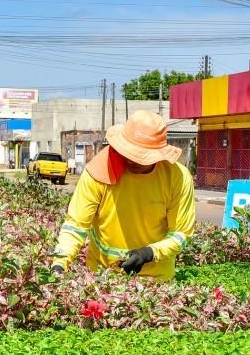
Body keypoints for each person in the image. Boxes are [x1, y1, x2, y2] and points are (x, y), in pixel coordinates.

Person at [49, 110, 195, 280]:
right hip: (102, 276)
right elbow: (75, 225)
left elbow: (181, 233)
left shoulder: (177, 177)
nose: (132, 160)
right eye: (129, 153)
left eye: (140, 157)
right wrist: (59, 263)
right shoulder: (99, 170)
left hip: (155, 280)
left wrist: (150, 253)